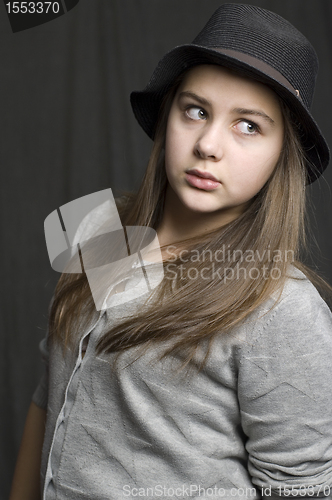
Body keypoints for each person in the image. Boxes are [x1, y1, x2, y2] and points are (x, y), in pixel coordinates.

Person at [10, 3, 332, 500]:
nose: (208, 144)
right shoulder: (100, 224)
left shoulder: (283, 307)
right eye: (196, 110)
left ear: (281, 155)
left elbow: (300, 488)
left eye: (248, 125)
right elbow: (48, 391)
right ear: (168, 117)